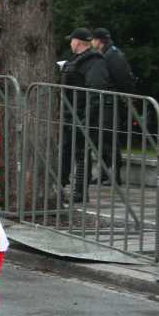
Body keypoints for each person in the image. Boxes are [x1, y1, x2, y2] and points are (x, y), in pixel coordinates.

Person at [60, 28, 113, 201]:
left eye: (72, 40)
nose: (70, 43)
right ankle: (61, 185)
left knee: (81, 153)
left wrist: (87, 118)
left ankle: (80, 191)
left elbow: (95, 91)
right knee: (67, 150)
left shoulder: (94, 61)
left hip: (83, 114)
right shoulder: (77, 59)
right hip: (71, 113)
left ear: (77, 42)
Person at [92, 27, 135, 183]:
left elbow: (123, 79)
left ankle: (115, 175)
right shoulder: (106, 53)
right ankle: (104, 173)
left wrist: (124, 98)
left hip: (111, 102)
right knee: (101, 138)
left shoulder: (113, 55)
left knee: (110, 138)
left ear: (99, 41)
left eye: (93, 39)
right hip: (104, 101)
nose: (91, 42)